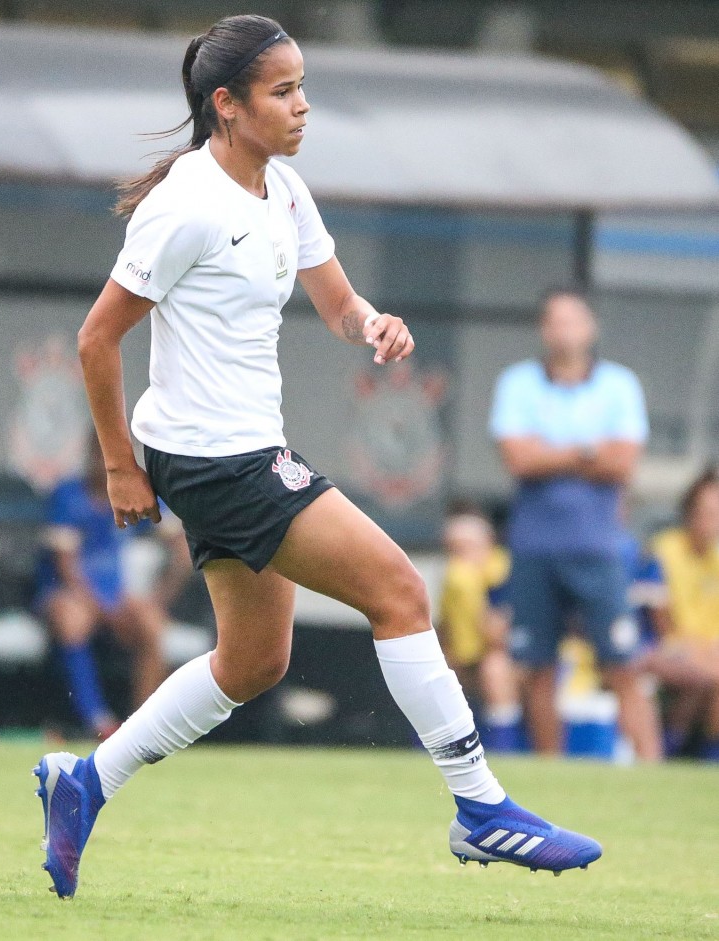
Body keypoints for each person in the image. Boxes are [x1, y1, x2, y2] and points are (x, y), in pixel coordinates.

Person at [32, 15, 601, 899]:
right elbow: (97, 339)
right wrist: (118, 465)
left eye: (302, 87)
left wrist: (370, 324)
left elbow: (334, 302)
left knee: (253, 661)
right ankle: (480, 807)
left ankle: (85, 781)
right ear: (226, 105)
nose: (301, 106)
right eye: (281, 91)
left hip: (242, 449)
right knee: (400, 590)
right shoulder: (184, 205)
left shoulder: (284, 189)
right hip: (215, 459)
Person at [489, 288, 661, 760]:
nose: (564, 331)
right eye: (555, 321)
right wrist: (588, 451)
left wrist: (550, 452)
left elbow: (623, 463)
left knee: (622, 664)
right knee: (536, 667)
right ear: (544, 330)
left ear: (590, 328)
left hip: (599, 547)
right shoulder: (517, 383)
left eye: (573, 321)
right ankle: (553, 773)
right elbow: (517, 459)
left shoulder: (620, 385)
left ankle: (651, 769)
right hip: (534, 547)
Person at [35, 431, 191, 739]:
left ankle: (144, 728)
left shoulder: (135, 493)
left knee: (152, 624)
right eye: (100, 453)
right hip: (72, 595)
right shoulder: (68, 494)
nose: (106, 463)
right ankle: (97, 720)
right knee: (72, 619)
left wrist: (158, 599)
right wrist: (104, 610)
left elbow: (183, 552)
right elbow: (66, 568)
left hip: (115, 596)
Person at [438, 505, 524, 752]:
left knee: (494, 669)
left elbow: (498, 636)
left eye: (464, 548)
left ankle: (503, 749)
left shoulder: (503, 574)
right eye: (451, 550)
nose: (458, 557)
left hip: (519, 659)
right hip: (469, 657)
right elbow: (444, 627)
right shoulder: (455, 581)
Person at [647, 468, 719, 759]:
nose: (713, 522)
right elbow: (658, 620)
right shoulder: (664, 550)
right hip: (668, 647)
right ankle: (671, 752)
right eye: (708, 512)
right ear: (689, 512)